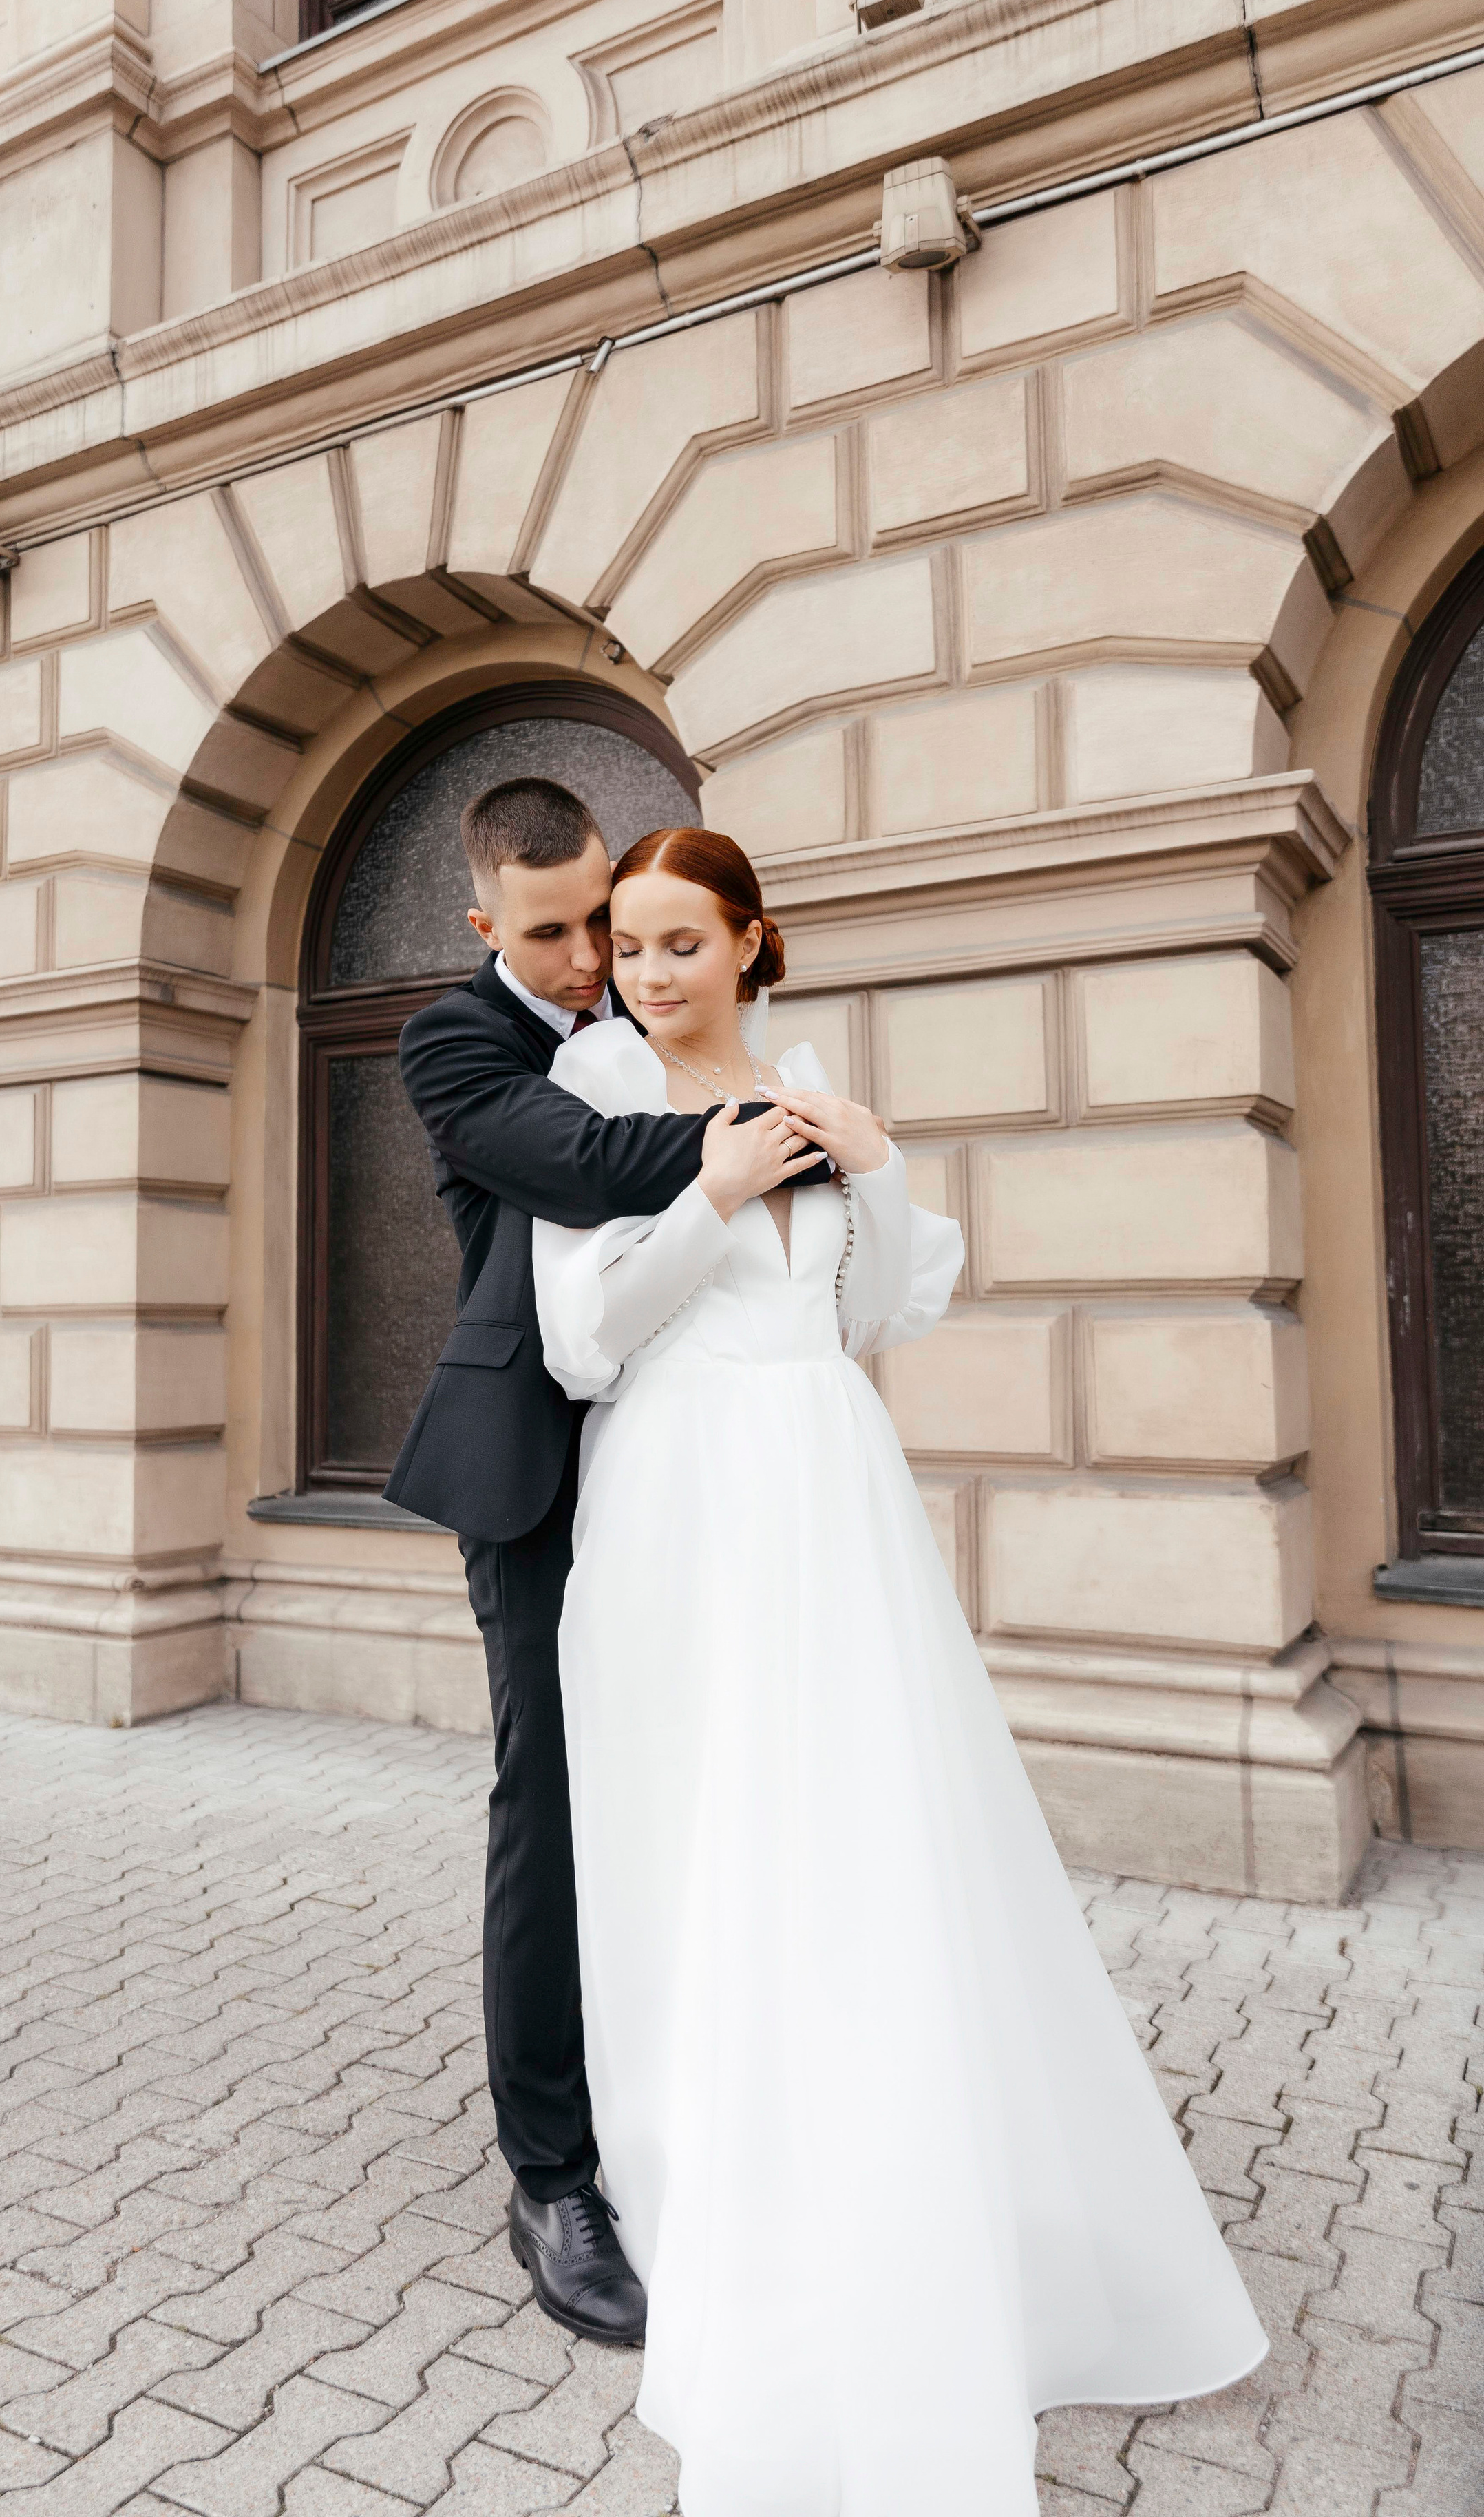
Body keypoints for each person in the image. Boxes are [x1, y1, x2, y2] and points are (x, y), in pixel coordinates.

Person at [531, 825, 1269, 2516]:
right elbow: (582, 1343)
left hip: (830, 1486)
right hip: (678, 1498)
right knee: (693, 1840)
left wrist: (867, 1171)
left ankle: (888, 2170)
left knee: (863, 1838)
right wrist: (705, 1195)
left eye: (674, 943)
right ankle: (698, 2194)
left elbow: (873, 1316)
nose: (643, 971)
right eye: (624, 946)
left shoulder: (808, 1076)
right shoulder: (588, 1083)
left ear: (748, 941)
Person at [387, 779, 820, 2344]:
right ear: (485, 920)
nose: (591, 957)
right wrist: (779, 1133)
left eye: (609, 922)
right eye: (557, 929)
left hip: (702, 1461)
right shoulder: (456, 1041)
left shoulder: (656, 1014)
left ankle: (699, 2094)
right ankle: (552, 2175)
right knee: (552, 1809)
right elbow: (575, 1167)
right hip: (538, 1480)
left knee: (718, 1788)